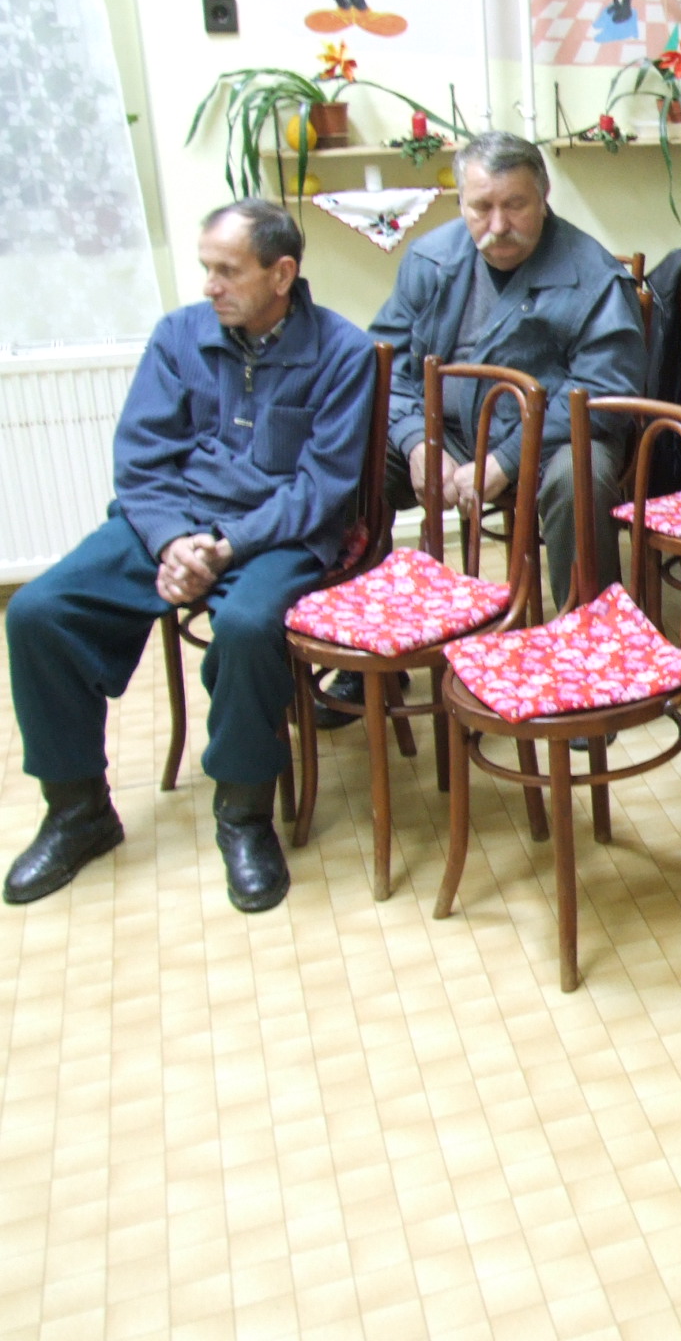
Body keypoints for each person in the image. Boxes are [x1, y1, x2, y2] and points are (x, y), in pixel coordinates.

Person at [5, 201, 375, 913]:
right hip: (172, 523)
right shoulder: (178, 336)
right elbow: (141, 462)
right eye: (207, 268)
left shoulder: (343, 352)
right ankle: (78, 810)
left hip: (275, 535)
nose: (210, 286)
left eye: (227, 271)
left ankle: (243, 815)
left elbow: (321, 490)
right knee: (38, 612)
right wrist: (174, 541)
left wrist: (229, 545)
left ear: (282, 274)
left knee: (247, 627)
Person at [318, 133, 645, 723]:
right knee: (346, 461)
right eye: (481, 207)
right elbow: (382, 367)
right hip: (446, 434)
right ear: (460, 203)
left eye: (515, 205)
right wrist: (415, 442)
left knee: (581, 475)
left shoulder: (594, 275)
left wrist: (507, 460)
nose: (498, 225)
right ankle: (365, 657)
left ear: (544, 196)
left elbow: (606, 391)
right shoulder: (430, 259)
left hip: (551, 441)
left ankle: (593, 661)